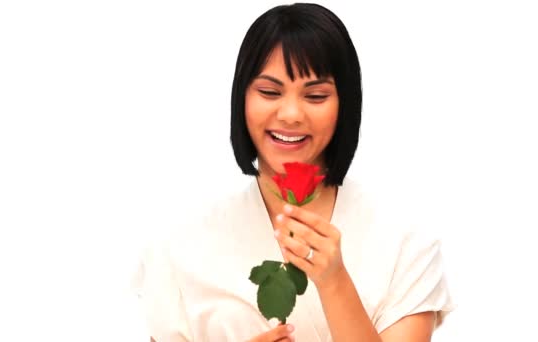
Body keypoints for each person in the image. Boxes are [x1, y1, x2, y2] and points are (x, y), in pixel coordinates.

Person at [133, 3, 455, 341]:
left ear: (345, 105)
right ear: (241, 98)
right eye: (269, 92)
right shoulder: (181, 244)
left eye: (315, 96)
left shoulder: (405, 244)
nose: (290, 114)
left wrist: (334, 282)